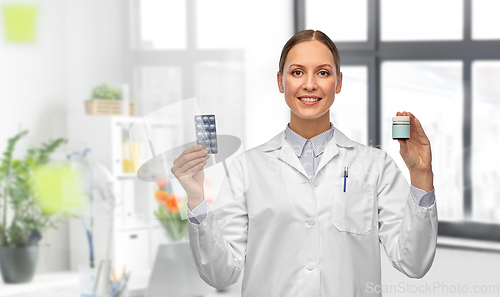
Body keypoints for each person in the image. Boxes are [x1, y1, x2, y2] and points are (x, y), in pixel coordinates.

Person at [171, 29, 437, 296]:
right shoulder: (247, 168)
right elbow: (221, 274)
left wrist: (421, 175)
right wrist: (197, 200)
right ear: (280, 81)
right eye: (297, 72)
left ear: (339, 82)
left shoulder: (375, 166)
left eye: (323, 72)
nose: (310, 84)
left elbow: (413, 263)